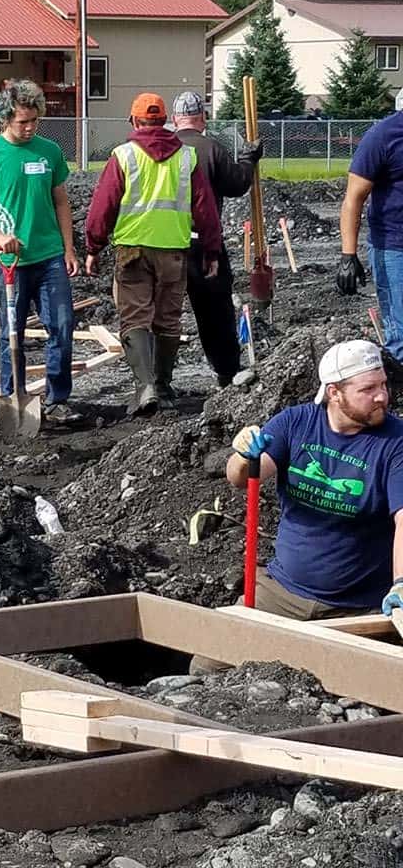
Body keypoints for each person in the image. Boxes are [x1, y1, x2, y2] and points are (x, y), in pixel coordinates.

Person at [192, 340, 403, 673]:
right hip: (282, 593)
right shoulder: (296, 423)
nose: (382, 396)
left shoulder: (396, 443)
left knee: (374, 687)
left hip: (359, 607)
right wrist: (243, 455)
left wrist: (401, 583)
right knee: (207, 667)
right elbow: (242, 477)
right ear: (334, 392)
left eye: (383, 385)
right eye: (368, 389)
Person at [85, 93, 221, 415]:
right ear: (166, 122)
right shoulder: (186, 157)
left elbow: (102, 207)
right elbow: (206, 208)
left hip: (132, 249)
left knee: (135, 318)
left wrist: (93, 247)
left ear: (133, 121)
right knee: (168, 320)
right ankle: (163, 385)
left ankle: (145, 387)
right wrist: (212, 250)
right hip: (173, 250)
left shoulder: (124, 156)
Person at [0, 79, 79, 423]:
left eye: (33, 121)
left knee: (62, 325)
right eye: (22, 122)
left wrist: (68, 248)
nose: (29, 128)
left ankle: (57, 399)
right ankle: (13, 393)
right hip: (10, 261)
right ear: (5, 120)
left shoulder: (50, 151)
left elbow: (61, 202)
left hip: (50, 256)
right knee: (12, 332)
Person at [172, 90, 263, 387]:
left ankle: (157, 380)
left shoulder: (163, 148)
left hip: (162, 244)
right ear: (203, 118)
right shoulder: (211, 149)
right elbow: (237, 184)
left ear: (175, 119)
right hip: (204, 243)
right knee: (215, 310)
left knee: (161, 314)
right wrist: (249, 160)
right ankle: (225, 371)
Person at [337, 112, 403, 363]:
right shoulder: (384, 136)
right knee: (401, 332)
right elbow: (353, 198)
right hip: (395, 247)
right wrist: (348, 255)